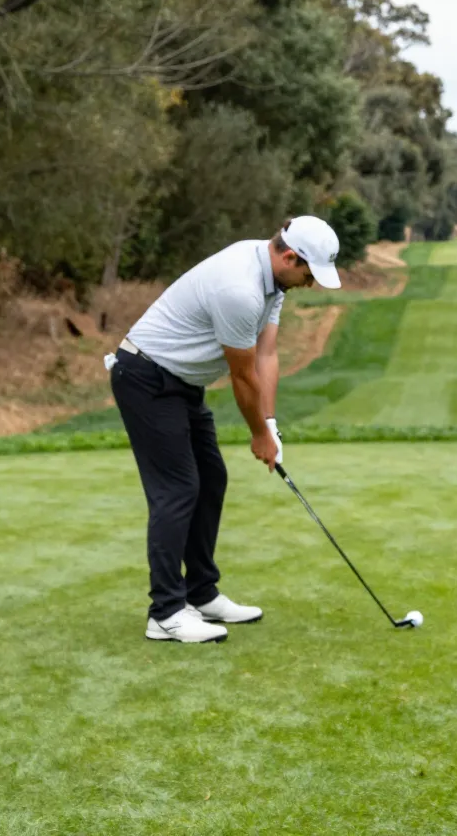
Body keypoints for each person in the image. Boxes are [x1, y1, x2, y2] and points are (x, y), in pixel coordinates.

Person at [107, 216, 343, 644]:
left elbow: (267, 354)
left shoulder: (275, 279)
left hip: (182, 383)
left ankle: (200, 593)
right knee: (176, 490)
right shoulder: (240, 288)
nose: (310, 283)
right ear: (290, 256)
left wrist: (270, 425)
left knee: (211, 479)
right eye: (308, 274)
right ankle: (166, 612)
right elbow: (243, 374)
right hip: (146, 378)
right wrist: (258, 436)